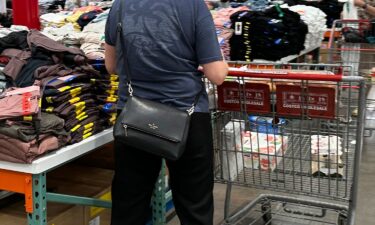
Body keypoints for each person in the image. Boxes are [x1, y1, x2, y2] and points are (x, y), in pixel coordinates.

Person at [104, 0, 228, 224]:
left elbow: (111, 66)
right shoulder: (193, 6)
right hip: (186, 115)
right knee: (195, 206)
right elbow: (217, 75)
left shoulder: (120, 5)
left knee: (129, 204)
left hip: (134, 115)